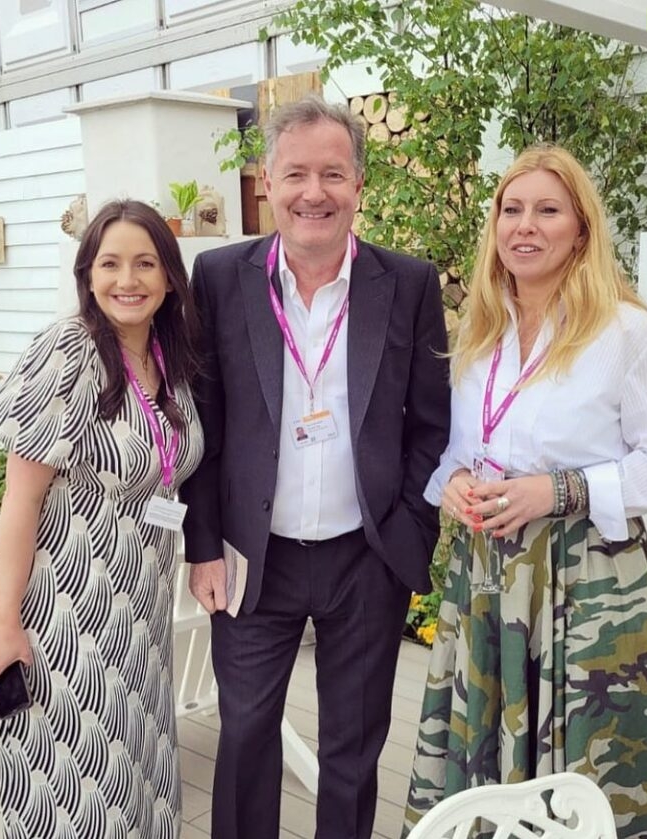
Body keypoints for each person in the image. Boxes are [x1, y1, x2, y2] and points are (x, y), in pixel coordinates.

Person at [402, 145, 647, 839]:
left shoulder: (634, 337)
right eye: (512, 209)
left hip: (587, 584)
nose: (524, 226)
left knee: (587, 773)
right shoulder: (480, 335)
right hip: (488, 578)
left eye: (547, 210)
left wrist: (558, 491)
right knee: (488, 778)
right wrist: (456, 485)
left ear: (582, 231)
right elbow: (455, 450)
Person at [179, 95, 451, 839]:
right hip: (249, 557)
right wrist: (202, 544)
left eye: (333, 173)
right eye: (295, 173)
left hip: (366, 558)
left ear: (360, 185)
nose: (314, 192)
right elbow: (205, 420)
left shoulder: (409, 284)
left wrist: (406, 534)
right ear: (267, 182)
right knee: (245, 736)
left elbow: (432, 424)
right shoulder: (220, 277)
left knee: (353, 751)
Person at [0, 200, 203, 838]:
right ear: (88, 273)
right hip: (69, 622)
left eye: (144, 263)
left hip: (142, 618)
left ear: (168, 276)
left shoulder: (169, 355)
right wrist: (2, 623)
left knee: (137, 782)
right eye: (110, 263)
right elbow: (18, 503)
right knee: (75, 798)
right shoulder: (67, 352)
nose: (127, 280)